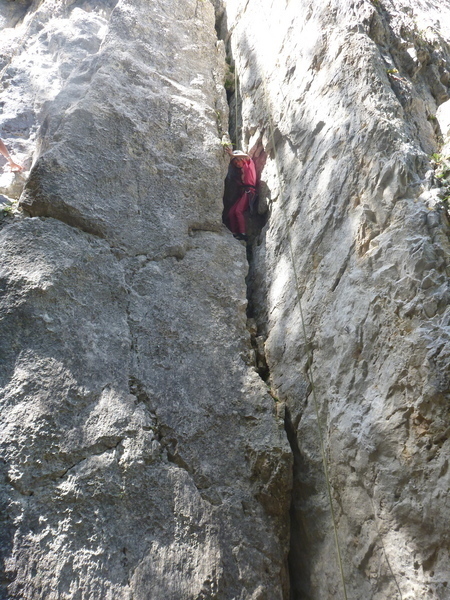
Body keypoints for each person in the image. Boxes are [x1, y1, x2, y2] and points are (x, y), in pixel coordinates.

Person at [224, 148, 257, 241]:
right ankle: (234, 233)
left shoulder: (249, 164)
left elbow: (246, 156)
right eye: (235, 164)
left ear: (241, 159)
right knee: (231, 213)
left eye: (238, 161)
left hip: (249, 191)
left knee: (238, 211)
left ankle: (243, 234)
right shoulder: (241, 170)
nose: (237, 164)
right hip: (244, 192)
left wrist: (232, 155)